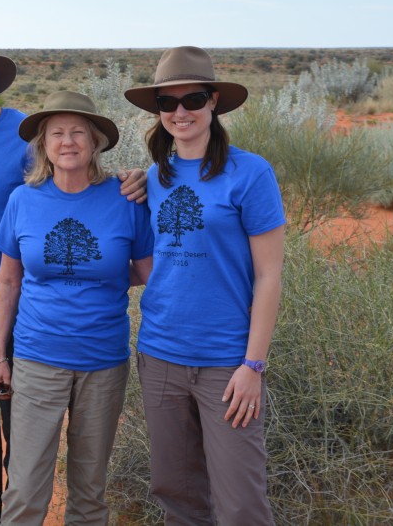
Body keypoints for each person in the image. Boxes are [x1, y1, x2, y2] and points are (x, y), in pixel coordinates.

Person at [0, 33, 148, 526]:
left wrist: (134, 180)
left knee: (24, 454)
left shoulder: (24, 132)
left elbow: (73, 190)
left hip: (27, 325)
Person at [123, 46, 285, 525]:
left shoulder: (250, 173)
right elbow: (149, 263)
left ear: (213, 101)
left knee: (240, 503)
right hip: (160, 356)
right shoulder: (153, 178)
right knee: (178, 495)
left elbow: (269, 275)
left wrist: (253, 364)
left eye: (192, 99)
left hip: (226, 363)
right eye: (167, 103)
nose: (180, 112)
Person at [0, 91, 153, 526]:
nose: (68, 141)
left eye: (78, 132)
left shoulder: (125, 199)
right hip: (37, 357)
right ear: (43, 144)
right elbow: (8, 281)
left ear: (96, 141)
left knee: (89, 489)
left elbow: (148, 272)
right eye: (56, 133)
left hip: (103, 361)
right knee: (25, 487)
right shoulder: (22, 200)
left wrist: (105, 276)